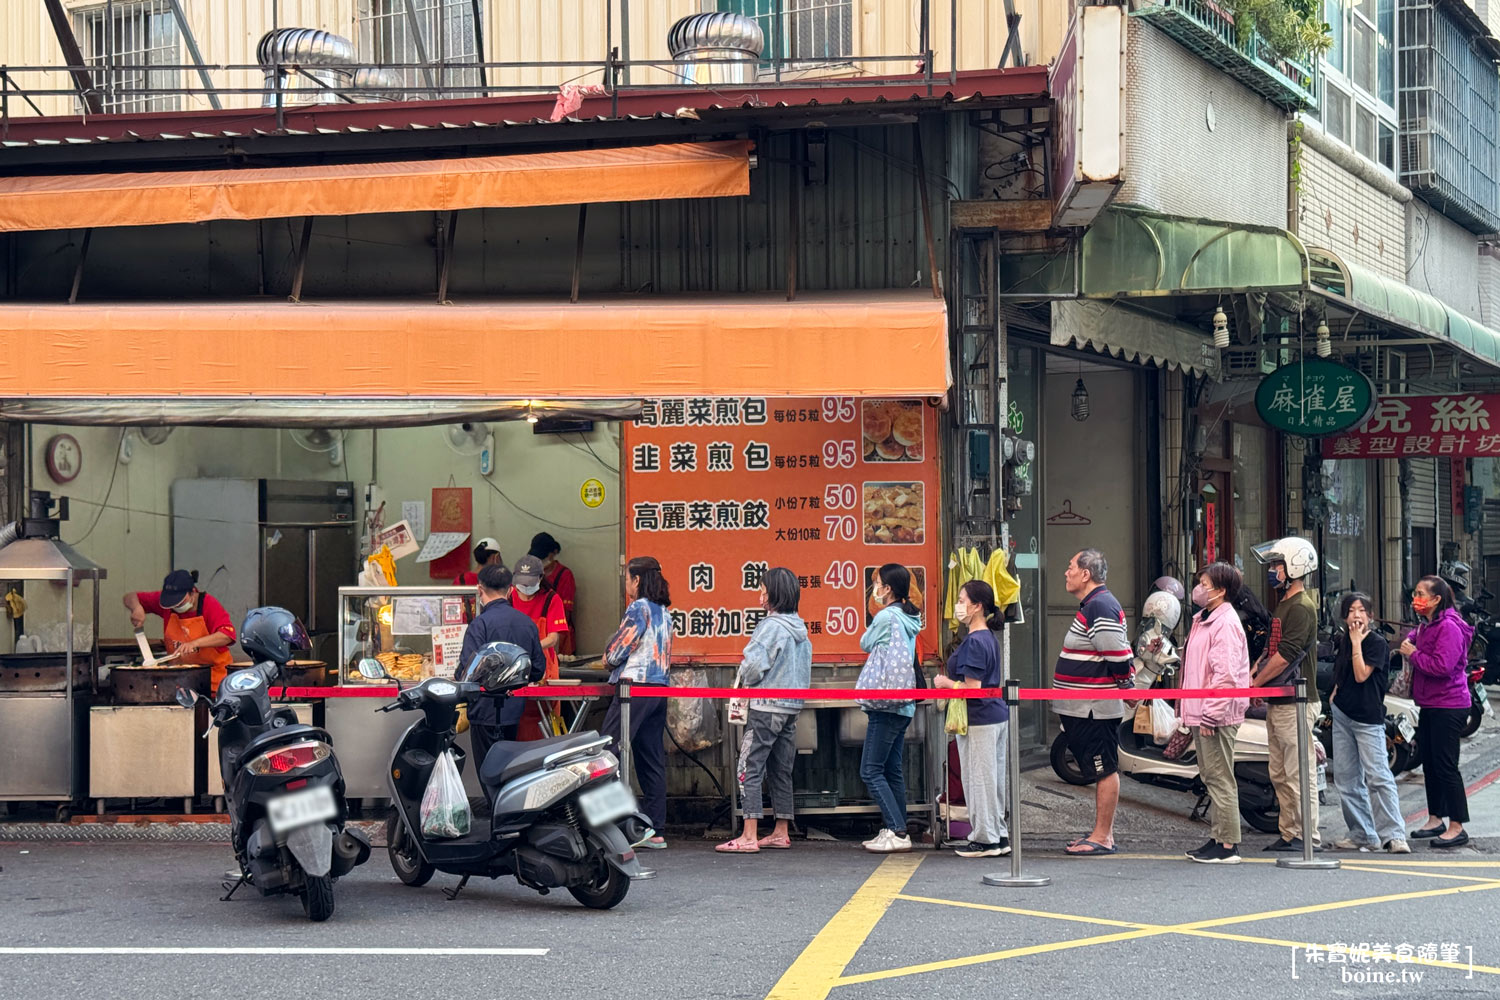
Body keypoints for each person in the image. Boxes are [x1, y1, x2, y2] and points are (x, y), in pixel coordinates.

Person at [717, 568, 812, 854]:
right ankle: (781, 831)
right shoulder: (801, 629)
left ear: (773, 594)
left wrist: (743, 675)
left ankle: (749, 834)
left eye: (762, 589)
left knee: (749, 766)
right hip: (791, 709)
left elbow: (754, 666)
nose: (759, 594)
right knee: (781, 769)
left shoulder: (770, 627)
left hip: (765, 707)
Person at [1052, 549, 1132, 856]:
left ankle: (1102, 836)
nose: (1066, 572)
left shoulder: (1100, 605)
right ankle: (1101, 834)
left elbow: (1118, 655)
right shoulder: (1094, 605)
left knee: (1104, 768)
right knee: (1101, 768)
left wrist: (1126, 687)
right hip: (1085, 706)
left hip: (1094, 707)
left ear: (1086, 574)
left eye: (1071, 566)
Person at [1250, 536, 1323, 852]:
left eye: (1278, 565)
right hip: (1279, 700)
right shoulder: (1284, 604)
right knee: (1279, 773)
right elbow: (1271, 650)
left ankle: (1309, 836)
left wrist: (1256, 684)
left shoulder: (1302, 607)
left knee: (1298, 773)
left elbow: (1285, 655)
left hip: (1296, 700)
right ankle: (1290, 832)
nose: (1273, 571)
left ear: (1295, 567)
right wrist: (1254, 676)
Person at [457, 562, 545, 807]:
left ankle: (498, 821)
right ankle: (509, 817)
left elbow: (467, 670)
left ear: (480, 589)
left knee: (489, 772)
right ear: (509, 590)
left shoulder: (480, 625)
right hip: (514, 711)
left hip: (483, 711)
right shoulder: (526, 623)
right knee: (510, 770)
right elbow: (538, 670)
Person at [1180, 562, 1251, 865]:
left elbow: (1225, 675)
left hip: (1215, 715)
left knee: (1219, 777)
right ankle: (1219, 837)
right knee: (1212, 775)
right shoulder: (1205, 618)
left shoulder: (1225, 623)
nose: (1199, 588)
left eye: (1205, 584)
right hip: (1203, 710)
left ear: (1221, 591)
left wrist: (1210, 714)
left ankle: (1228, 845)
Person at [936, 580, 1011, 858]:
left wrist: (945, 683)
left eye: (961, 599)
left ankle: (985, 839)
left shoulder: (976, 641)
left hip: (979, 718)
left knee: (979, 779)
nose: (958, 605)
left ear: (977, 606)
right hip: (993, 716)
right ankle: (997, 835)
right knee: (991, 779)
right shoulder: (987, 638)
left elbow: (972, 688)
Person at [1329, 592, 1408, 854]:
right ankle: (1362, 833)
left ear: (1370, 616)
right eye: (1351, 610)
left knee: (1378, 776)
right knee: (1346, 777)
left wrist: (1355, 643)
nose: (1356, 615)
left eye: (1362, 610)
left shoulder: (1375, 643)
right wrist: (1335, 695)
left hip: (1367, 718)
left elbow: (1362, 674)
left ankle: (1394, 835)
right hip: (1342, 714)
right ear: (1344, 616)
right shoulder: (1343, 640)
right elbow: (1343, 674)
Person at [603, 556, 673, 849]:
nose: (626, 583)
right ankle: (654, 828)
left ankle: (618, 824)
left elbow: (617, 651)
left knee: (607, 751)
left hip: (634, 689)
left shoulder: (638, 609)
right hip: (659, 690)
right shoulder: (665, 613)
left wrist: (606, 658)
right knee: (651, 757)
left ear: (637, 580)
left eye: (628, 578)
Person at [1400, 575, 1474, 849]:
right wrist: (1411, 644)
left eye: (1421, 594)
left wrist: (1413, 654)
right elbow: (1412, 640)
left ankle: (1457, 825)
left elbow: (1441, 667)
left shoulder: (1450, 628)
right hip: (1430, 703)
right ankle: (1435, 817)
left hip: (1449, 704)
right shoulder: (1427, 625)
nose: (1415, 598)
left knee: (1445, 765)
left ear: (1436, 599)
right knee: (1429, 762)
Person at [858, 564, 924, 854]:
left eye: (878, 583)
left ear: (888, 589)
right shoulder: (910, 617)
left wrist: (875, 616)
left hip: (884, 703)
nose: (875, 588)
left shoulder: (886, 616)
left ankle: (896, 829)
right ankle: (896, 830)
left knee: (870, 770)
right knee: (892, 770)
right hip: (903, 704)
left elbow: (864, 643)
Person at [124, 569, 235, 693]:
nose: (176, 607)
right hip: (180, 682)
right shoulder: (167, 602)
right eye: (173, 604)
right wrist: (137, 608)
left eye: (180, 602)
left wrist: (194, 643)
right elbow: (130, 597)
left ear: (192, 592)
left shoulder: (209, 604)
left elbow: (227, 635)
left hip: (214, 683)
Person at [508, 555, 572, 740]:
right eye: (522, 583)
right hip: (512, 670)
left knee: (543, 723)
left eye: (531, 583)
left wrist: (530, 649)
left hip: (544, 671)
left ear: (541, 579)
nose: (526, 589)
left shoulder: (552, 599)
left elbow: (553, 638)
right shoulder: (508, 597)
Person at [529, 532, 578, 656]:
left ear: (552, 554)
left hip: (559, 638)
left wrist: (553, 640)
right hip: (535, 635)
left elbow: (565, 615)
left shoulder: (564, 575)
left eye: (542, 556)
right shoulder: (529, 574)